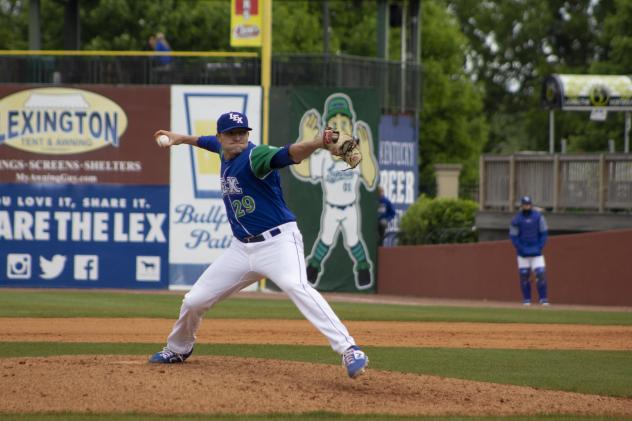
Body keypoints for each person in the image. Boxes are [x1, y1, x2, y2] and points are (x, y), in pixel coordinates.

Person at [148, 111, 369, 379]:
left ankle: (349, 348)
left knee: (295, 285)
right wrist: (180, 138)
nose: (238, 136)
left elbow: (289, 154)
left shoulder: (256, 156)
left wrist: (318, 142)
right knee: (194, 300)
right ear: (221, 137)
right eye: (231, 132)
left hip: (278, 243)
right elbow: (205, 141)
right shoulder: (222, 148)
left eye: (242, 131)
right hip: (241, 249)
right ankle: (178, 348)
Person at [509, 195, 549, 306]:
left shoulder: (538, 217)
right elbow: (513, 236)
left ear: (531, 204)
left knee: (541, 274)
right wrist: (520, 248)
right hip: (522, 253)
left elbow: (544, 233)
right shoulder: (516, 219)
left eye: (528, 204)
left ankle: (543, 299)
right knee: (524, 275)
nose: (526, 206)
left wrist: (540, 246)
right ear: (521, 205)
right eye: (524, 204)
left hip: (537, 253)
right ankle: (527, 300)